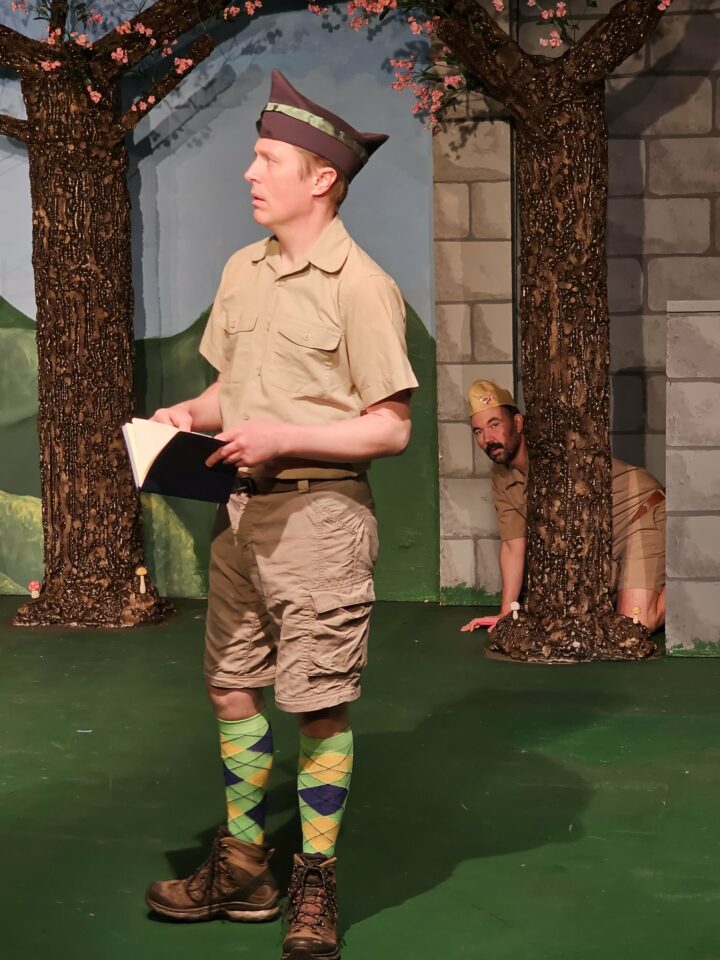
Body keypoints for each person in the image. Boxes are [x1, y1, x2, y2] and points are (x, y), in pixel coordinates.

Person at [145, 70, 418, 960]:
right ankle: (243, 867)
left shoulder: (361, 286)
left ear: (321, 178)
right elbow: (234, 389)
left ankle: (316, 880)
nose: (250, 174)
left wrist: (285, 437)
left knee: (319, 704)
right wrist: (188, 415)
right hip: (241, 517)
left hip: (321, 519)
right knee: (232, 684)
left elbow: (391, 427)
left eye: (267, 160)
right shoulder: (244, 270)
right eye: (254, 158)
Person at [461, 379, 666, 635]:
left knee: (635, 625)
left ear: (518, 423)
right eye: (478, 432)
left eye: (494, 425)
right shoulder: (501, 475)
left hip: (638, 516)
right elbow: (513, 544)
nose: (487, 439)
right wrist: (505, 612)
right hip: (601, 540)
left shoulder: (552, 450)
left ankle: (691, 578)